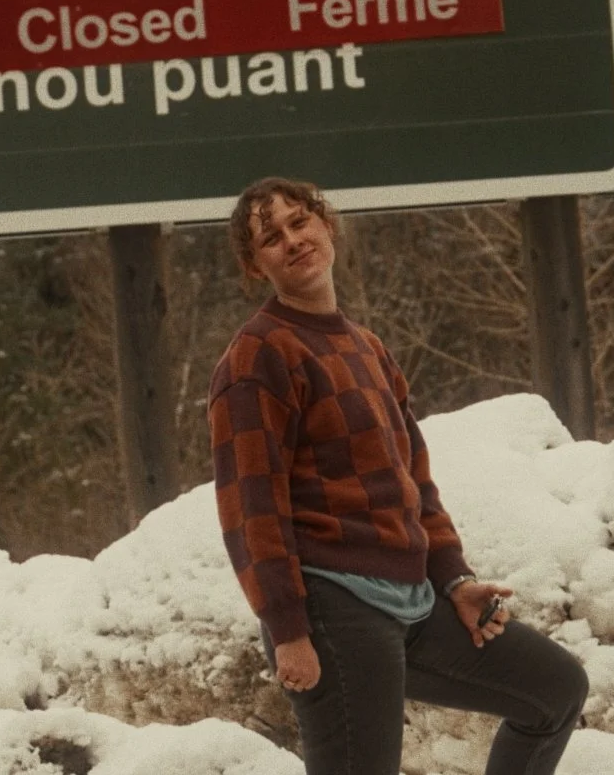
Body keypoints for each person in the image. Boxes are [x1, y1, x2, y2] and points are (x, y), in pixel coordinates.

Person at [206, 176, 590, 775]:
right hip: (334, 610)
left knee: (554, 689)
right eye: (271, 238)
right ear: (256, 266)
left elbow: (412, 479)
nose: (293, 240)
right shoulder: (259, 355)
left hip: (414, 601)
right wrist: (288, 629)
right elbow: (250, 508)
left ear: (326, 224)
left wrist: (455, 579)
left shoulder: (366, 346)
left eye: (299, 222)